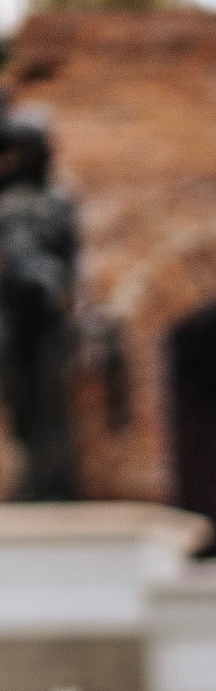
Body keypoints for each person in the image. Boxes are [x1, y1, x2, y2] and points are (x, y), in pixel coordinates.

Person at [0, 113, 80, 500]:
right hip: (9, 311)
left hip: (47, 311)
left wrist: (68, 295)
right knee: (19, 398)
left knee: (52, 398)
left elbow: (72, 258)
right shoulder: (4, 203)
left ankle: (55, 483)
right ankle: (28, 478)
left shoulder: (56, 201)